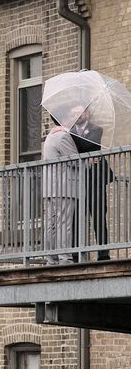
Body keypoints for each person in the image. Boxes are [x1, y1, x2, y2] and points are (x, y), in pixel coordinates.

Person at [69, 105, 111, 261]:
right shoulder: (70, 133)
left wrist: (74, 147)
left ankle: (103, 254)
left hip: (95, 179)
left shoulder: (96, 129)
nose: (77, 115)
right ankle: (76, 254)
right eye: (74, 113)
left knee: (99, 216)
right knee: (76, 217)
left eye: (79, 112)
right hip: (78, 179)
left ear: (87, 113)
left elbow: (88, 145)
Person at [43, 117, 79, 264]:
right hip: (64, 187)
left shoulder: (50, 137)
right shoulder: (64, 136)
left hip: (51, 188)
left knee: (52, 223)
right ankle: (65, 258)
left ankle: (50, 258)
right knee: (64, 223)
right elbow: (75, 161)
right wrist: (89, 162)